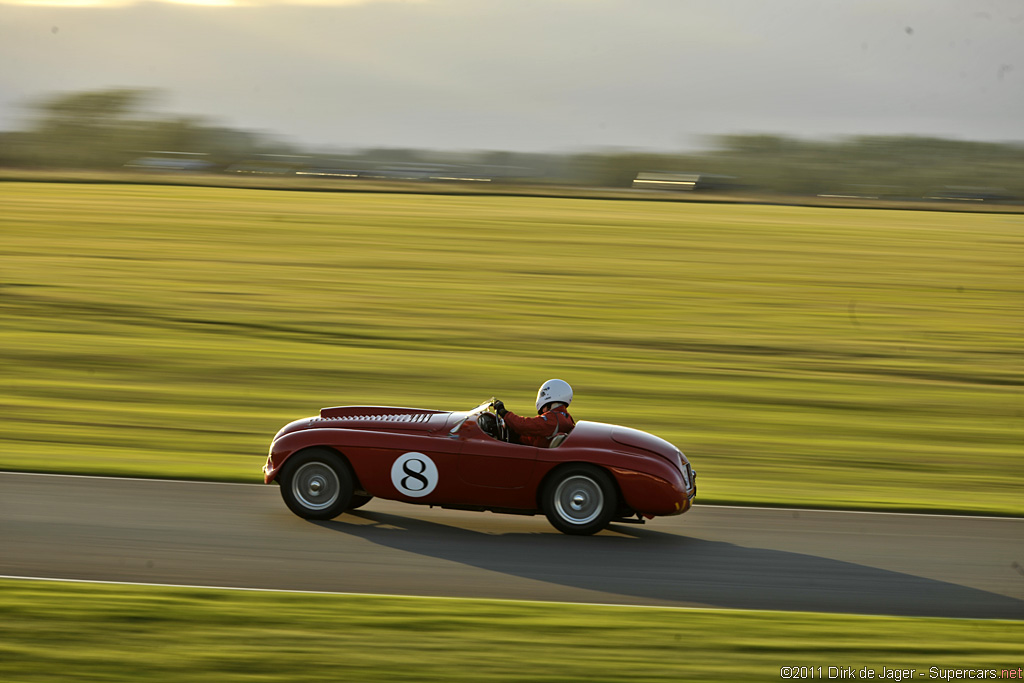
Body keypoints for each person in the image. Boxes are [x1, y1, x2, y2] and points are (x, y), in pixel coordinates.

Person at [492, 379, 575, 447]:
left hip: (532, 454)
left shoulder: (553, 419)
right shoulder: (566, 417)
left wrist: (504, 413)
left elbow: (523, 425)